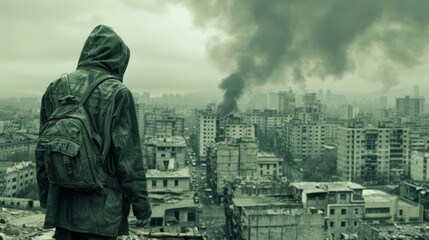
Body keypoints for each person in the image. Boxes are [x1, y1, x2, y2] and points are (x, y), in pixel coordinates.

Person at [36, 25, 151, 239]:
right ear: (118, 58)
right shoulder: (118, 92)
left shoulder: (55, 88)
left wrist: (46, 198)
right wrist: (141, 206)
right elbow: (128, 157)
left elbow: (43, 149)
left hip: (62, 204)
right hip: (102, 211)